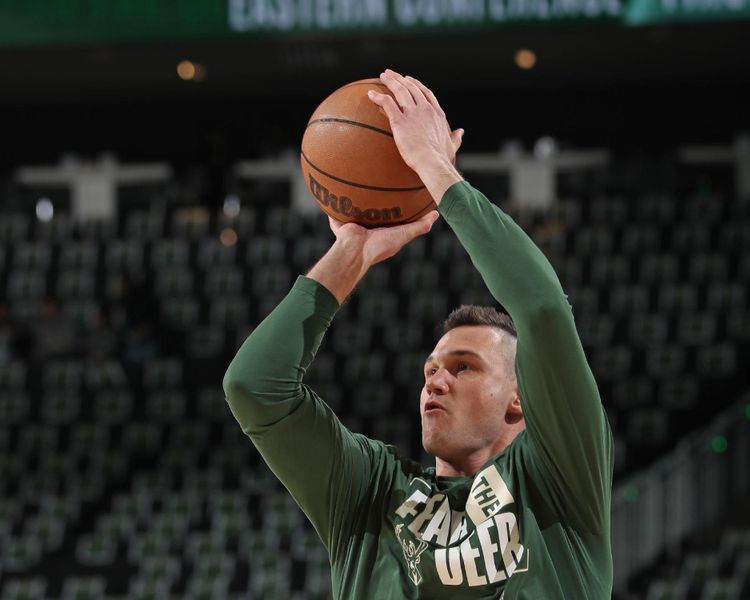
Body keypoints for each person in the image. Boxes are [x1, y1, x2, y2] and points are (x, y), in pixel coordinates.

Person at [224, 69, 613, 598]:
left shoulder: (559, 477)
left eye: (464, 367)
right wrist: (351, 253)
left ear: (519, 398)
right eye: (431, 369)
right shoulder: (371, 492)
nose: (435, 381)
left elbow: (541, 308)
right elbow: (254, 387)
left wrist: (434, 169)